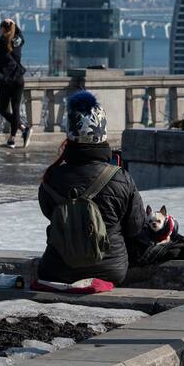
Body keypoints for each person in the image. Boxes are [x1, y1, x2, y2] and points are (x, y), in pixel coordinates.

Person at [37, 91, 143, 286]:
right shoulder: (121, 177)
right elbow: (135, 227)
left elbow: (49, 213)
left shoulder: (51, 177)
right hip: (111, 270)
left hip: (57, 269)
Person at [0, 18, 30, 148]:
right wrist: (14, 24)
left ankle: (16, 135)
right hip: (18, 79)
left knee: (3, 110)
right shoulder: (17, 42)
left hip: (5, 81)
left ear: (2, 29)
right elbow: (21, 35)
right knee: (15, 109)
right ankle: (15, 135)